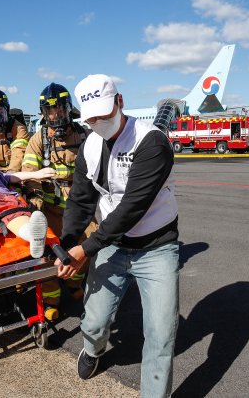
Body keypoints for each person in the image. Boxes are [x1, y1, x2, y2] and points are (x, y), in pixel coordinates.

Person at [56, 74, 179, 398]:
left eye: (105, 114)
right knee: (94, 323)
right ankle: (93, 350)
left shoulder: (151, 142)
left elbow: (131, 208)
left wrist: (86, 249)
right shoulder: (90, 146)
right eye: (92, 118)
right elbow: (81, 200)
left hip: (157, 247)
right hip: (114, 247)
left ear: (120, 102)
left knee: (161, 334)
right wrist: (69, 242)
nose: (100, 122)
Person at [22, 83, 92, 313]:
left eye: (59, 110)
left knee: (87, 248)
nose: (54, 115)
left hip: (79, 208)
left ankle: (73, 283)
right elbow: (30, 174)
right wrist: (35, 204)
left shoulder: (84, 136)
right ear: (43, 113)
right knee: (46, 254)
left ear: (68, 109)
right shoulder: (38, 139)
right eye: (49, 111)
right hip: (50, 209)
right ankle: (51, 302)